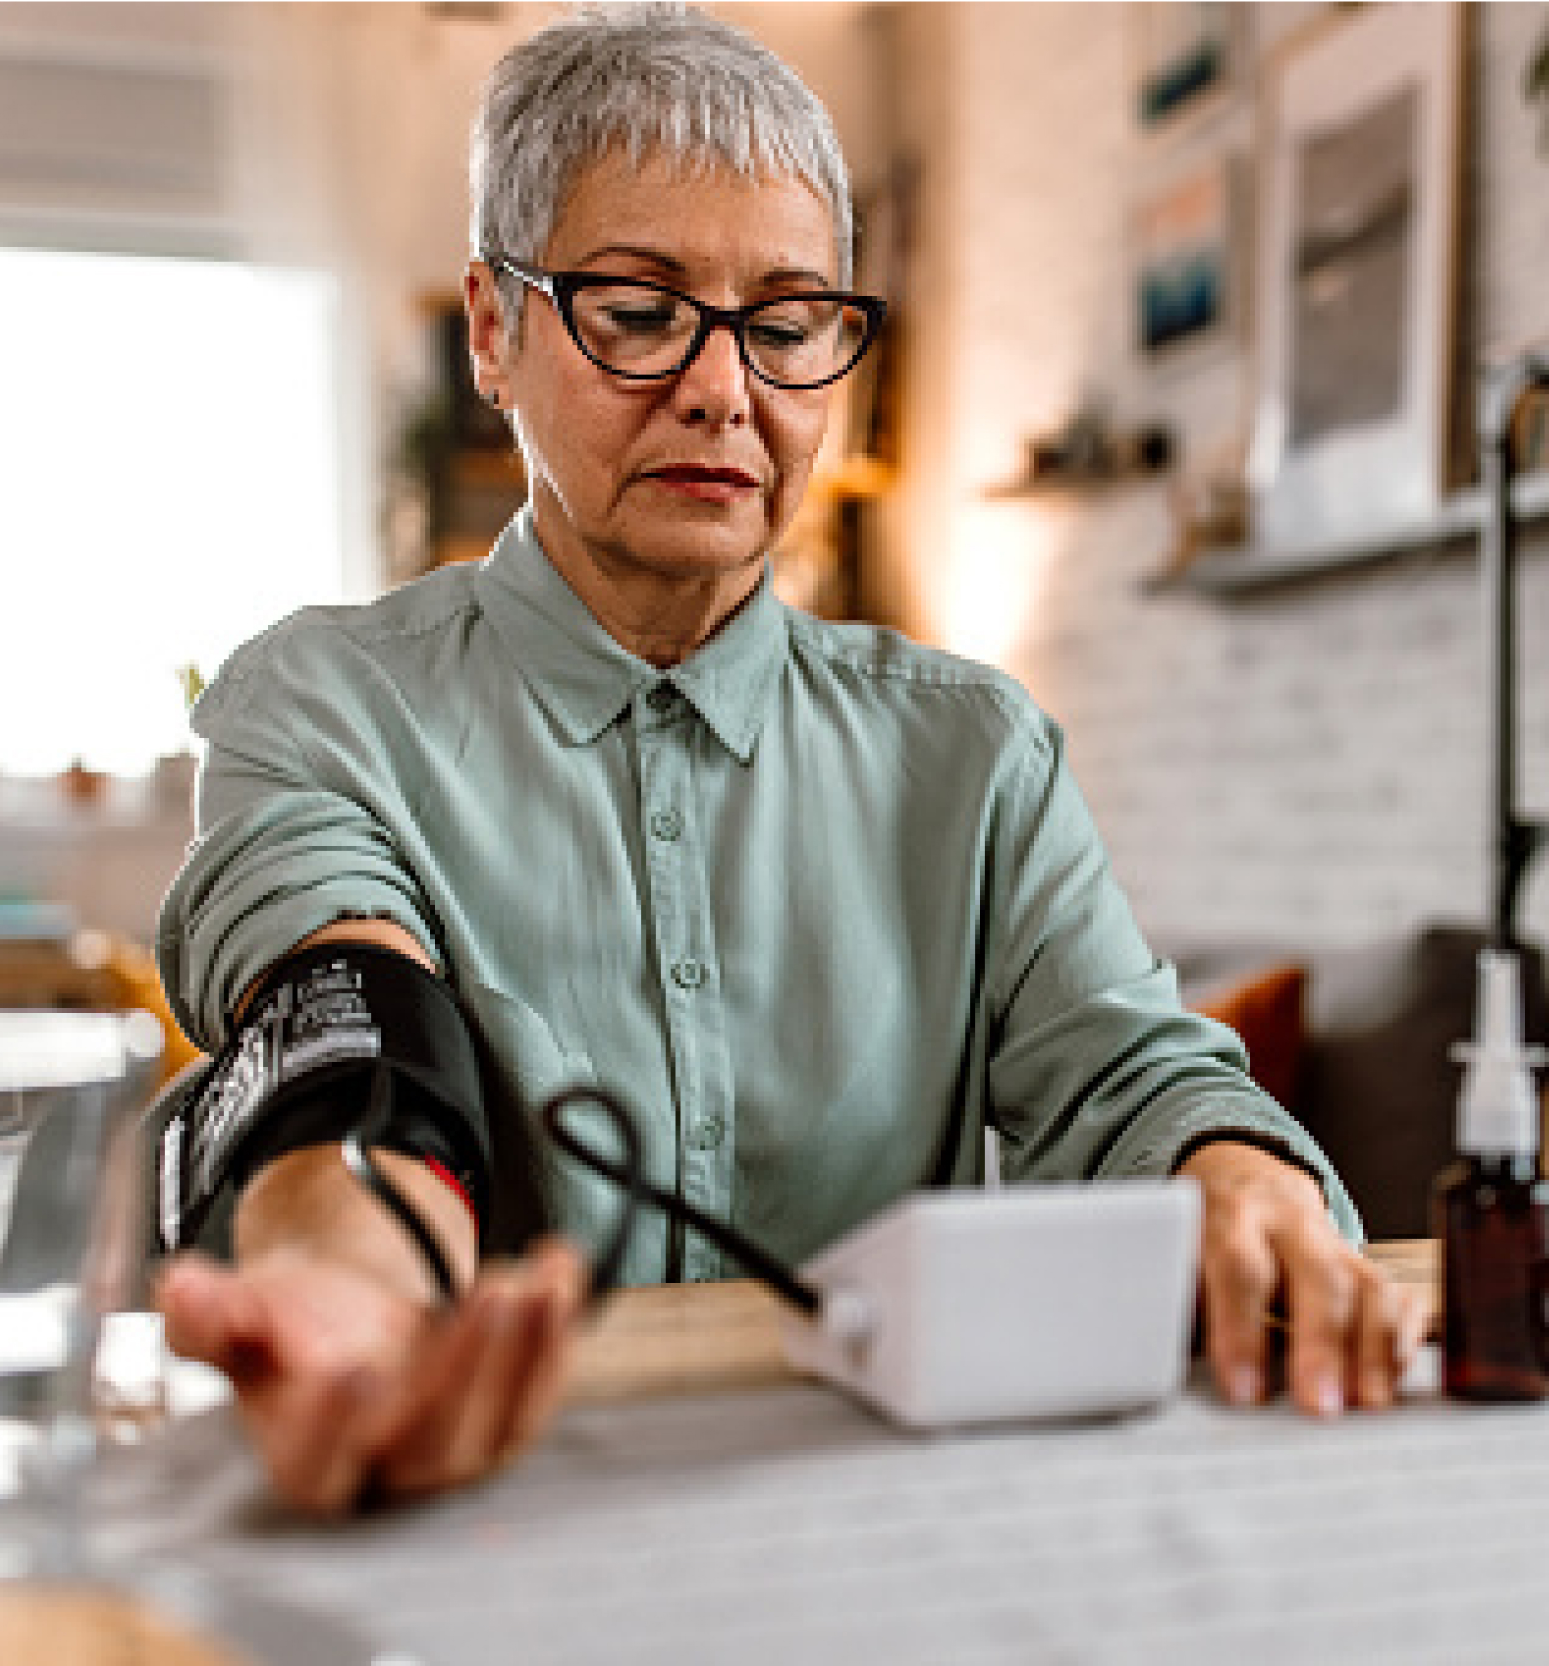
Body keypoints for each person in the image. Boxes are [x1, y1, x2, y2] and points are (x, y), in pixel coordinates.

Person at [151, 2, 1425, 1517]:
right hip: (484, 1498)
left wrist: (1238, 1177)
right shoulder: (319, 703)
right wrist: (351, 1277)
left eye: (784, 319)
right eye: (636, 307)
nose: (721, 388)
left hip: (897, 1520)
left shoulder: (974, 752)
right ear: (493, 332)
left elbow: (1127, 1071)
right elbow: (349, 1043)